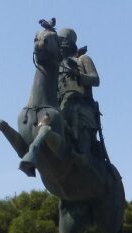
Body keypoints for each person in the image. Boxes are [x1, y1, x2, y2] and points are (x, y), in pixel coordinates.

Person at [57, 27, 101, 159]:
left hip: (82, 107)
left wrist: (78, 75)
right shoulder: (58, 66)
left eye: (62, 42)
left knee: (83, 132)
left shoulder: (83, 59)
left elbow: (96, 79)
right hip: (62, 106)